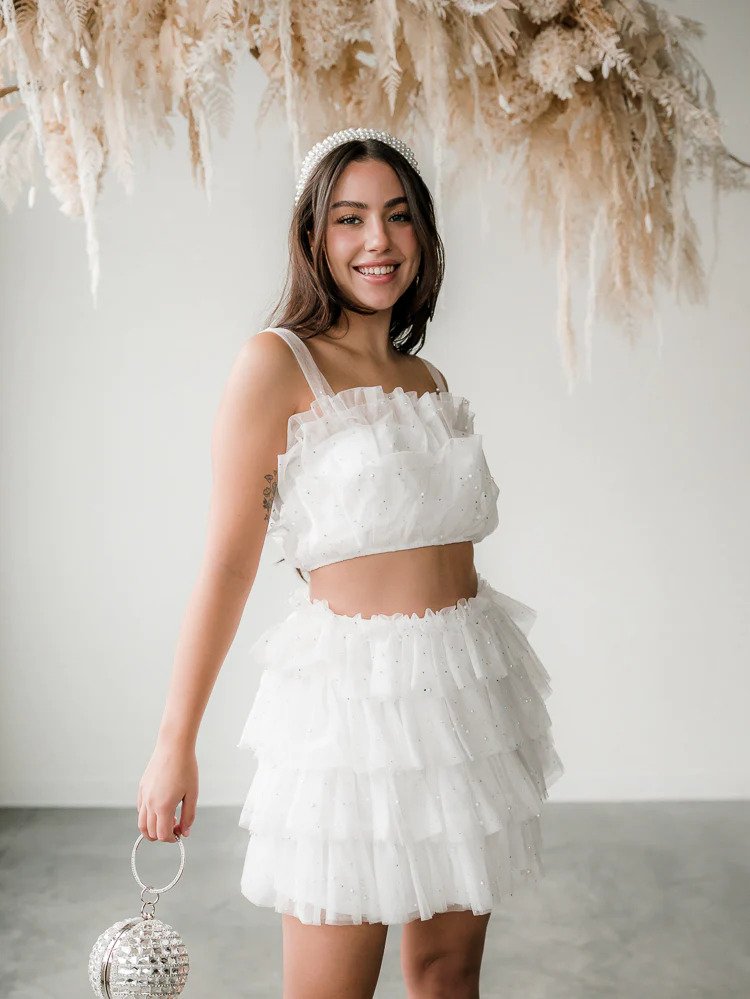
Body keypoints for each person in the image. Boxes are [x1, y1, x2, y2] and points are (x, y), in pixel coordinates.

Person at [137, 128, 564, 998]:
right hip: (348, 708)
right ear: (312, 238)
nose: (380, 241)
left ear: (425, 237)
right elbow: (228, 562)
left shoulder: (429, 380)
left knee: (449, 971)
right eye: (351, 218)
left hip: (466, 691)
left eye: (400, 217)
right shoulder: (277, 363)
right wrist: (173, 742)